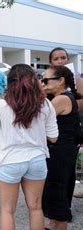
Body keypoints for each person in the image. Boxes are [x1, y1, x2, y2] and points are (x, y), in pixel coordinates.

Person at [0, 64, 58, 230]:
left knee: (7, 210)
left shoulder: (0, 105)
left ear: (9, 83)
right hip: (36, 160)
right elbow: (53, 137)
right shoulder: (45, 105)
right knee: (35, 208)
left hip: (10, 161)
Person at [41, 65, 79, 230]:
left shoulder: (61, 99)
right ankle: (55, 223)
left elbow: (40, 119)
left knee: (57, 188)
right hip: (62, 150)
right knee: (54, 187)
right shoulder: (61, 97)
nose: (44, 84)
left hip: (60, 152)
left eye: (47, 80)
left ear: (61, 80)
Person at [48, 47, 83, 200]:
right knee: (53, 170)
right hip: (52, 131)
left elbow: (80, 105)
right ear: (51, 62)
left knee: (68, 170)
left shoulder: (77, 80)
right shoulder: (48, 81)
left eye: (63, 58)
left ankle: (64, 205)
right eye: (56, 59)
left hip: (71, 130)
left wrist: (66, 102)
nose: (60, 61)